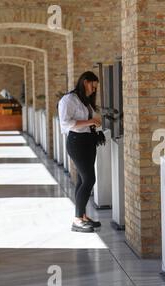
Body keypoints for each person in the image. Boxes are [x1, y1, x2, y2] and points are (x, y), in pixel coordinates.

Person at [58, 71, 103, 233]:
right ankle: (77, 219)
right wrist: (90, 121)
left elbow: (87, 121)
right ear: (85, 82)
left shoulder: (84, 101)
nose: (93, 90)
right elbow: (66, 123)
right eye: (92, 86)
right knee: (89, 179)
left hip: (88, 140)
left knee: (82, 180)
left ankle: (82, 215)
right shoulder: (68, 100)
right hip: (76, 142)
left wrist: (94, 125)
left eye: (95, 88)